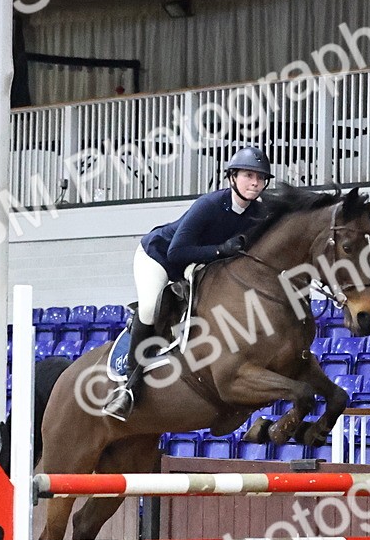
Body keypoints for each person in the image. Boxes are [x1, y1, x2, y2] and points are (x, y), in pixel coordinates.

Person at [102, 146, 273, 421]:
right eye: (248, 175)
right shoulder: (210, 205)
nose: (255, 182)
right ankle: (129, 389)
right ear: (233, 177)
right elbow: (176, 252)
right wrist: (220, 250)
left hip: (197, 266)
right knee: (149, 309)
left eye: (260, 178)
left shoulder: (258, 212)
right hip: (159, 258)